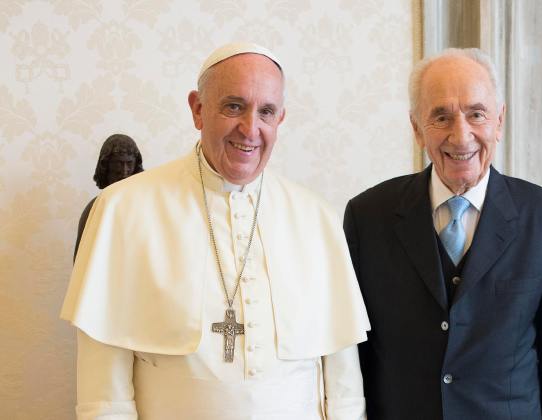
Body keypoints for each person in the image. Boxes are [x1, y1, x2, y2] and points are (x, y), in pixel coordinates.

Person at [61, 42, 370, 420]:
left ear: (281, 119)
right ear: (198, 109)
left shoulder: (316, 218)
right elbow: (103, 396)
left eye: (267, 112)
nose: (250, 129)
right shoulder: (122, 210)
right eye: (234, 106)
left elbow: (344, 392)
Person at [343, 48, 542, 419]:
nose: (461, 135)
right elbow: (354, 356)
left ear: (499, 121)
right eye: (441, 116)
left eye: (476, 114)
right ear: (417, 128)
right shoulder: (366, 216)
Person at [73, 133, 143, 261]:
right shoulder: (96, 208)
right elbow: (80, 261)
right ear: (106, 166)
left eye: (129, 163)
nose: (124, 171)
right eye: (118, 163)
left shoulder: (145, 207)